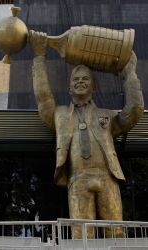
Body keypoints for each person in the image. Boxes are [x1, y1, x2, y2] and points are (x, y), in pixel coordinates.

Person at [29, 30, 144, 238]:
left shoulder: (107, 116)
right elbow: (44, 99)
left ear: (93, 86)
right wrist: (39, 57)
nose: (80, 82)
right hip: (78, 179)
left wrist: (130, 75)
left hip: (107, 178)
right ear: (69, 87)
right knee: (81, 236)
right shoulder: (61, 116)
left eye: (85, 79)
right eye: (76, 80)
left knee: (116, 234)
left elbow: (134, 111)